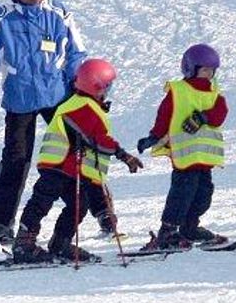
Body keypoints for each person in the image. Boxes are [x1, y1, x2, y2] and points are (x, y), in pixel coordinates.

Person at [0, 0, 89, 248]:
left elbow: (76, 52)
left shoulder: (58, 12)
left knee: (76, 151)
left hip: (56, 96)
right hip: (20, 97)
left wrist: (80, 89)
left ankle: (98, 212)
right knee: (15, 159)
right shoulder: (2, 18)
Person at [11, 58, 141, 264]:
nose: (109, 92)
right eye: (107, 87)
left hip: (72, 169)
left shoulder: (88, 105)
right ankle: (24, 243)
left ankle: (60, 243)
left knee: (80, 205)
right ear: (96, 86)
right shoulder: (81, 105)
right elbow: (96, 139)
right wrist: (122, 154)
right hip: (58, 165)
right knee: (42, 201)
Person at [135, 43, 229, 250]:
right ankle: (168, 231)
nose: (209, 74)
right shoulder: (178, 90)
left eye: (212, 71)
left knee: (204, 194)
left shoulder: (215, 92)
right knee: (182, 193)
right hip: (185, 158)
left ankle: (190, 227)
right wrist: (154, 137)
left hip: (204, 159)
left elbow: (221, 113)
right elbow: (164, 115)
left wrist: (204, 117)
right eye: (204, 70)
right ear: (191, 68)